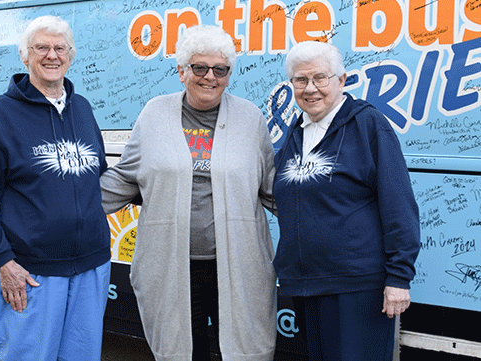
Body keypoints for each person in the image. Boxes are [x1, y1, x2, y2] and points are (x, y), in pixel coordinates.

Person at [100, 24, 277, 361]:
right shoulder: (154, 114)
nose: (210, 76)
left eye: (220, 69)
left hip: (237, 266)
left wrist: (325, 219)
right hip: (171, 265)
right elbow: (125, 178)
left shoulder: (250, 119)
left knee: (240, 352)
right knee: (183, 351)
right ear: (181, 71)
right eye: (199, 67)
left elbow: (271, 188)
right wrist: (66, 203)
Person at [0, 15, 112, 361]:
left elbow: (99, 178)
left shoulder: (83, 109)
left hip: (90, 268)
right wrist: (4, 262)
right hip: (31, 272)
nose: (51, 55)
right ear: (24, 55)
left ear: (70, 55)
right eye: (41, 47)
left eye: (60, 48)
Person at [272, 41, 421, 361]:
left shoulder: (368, 124)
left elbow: (398, 202)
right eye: (300, 80)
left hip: (356, 286)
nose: (310, 88)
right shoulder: (297, 132)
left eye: (320, 78)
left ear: (341, 80)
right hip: (305, 284)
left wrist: (399, 277)